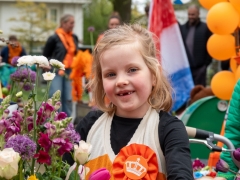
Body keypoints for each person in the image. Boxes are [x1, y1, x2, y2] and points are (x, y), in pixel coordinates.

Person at [68, 24, 193, 179]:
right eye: (111, 74)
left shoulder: (168, 130)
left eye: (132, 70)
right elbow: (58, 170)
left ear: (154, 75)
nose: (121, 81)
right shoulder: (90, 125)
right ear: (101, 81)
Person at [43, 14, 78, 117]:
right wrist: (50, 64)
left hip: (69, 71)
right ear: (63, 23)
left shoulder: (73, 37)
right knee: (55, 97)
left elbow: (76, 53)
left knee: (68, 98)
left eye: (74, 23)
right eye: (71, 23)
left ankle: (66, 123)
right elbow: (46, 55)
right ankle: (53, 122)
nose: (73, 25)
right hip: (56, 71)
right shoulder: (54, 38)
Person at [180, 5, 212, 87]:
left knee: (199, 95)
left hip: (200, 69)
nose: (191, 17)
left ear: (198, 14)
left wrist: (205, 65)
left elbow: (211, 47)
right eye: (189, 14)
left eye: (193, 14)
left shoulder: (206, 28)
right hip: (186, 70)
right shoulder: (182, 28)